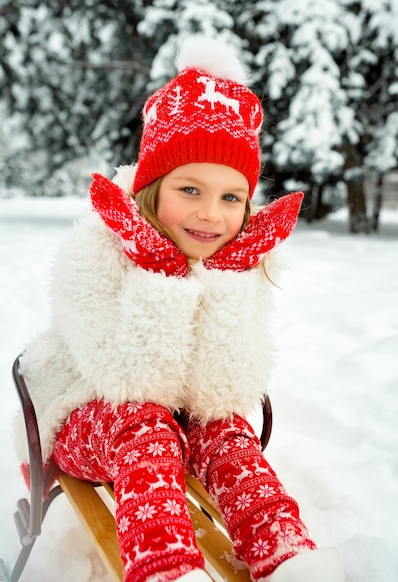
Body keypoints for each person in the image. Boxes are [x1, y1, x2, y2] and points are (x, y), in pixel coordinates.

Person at [14, 36, 345, 582]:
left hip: (180, 414)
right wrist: (161, 275)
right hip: (91, 412)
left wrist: (228, 279)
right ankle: (167, 570)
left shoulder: (237, 257)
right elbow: (133, 385)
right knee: (145, 426)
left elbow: (223, 392)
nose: (211, 215)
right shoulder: (96, 251)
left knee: (228, 434)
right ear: (152, 186)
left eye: (230, 197)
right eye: (190, 189)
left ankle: (291, 561)